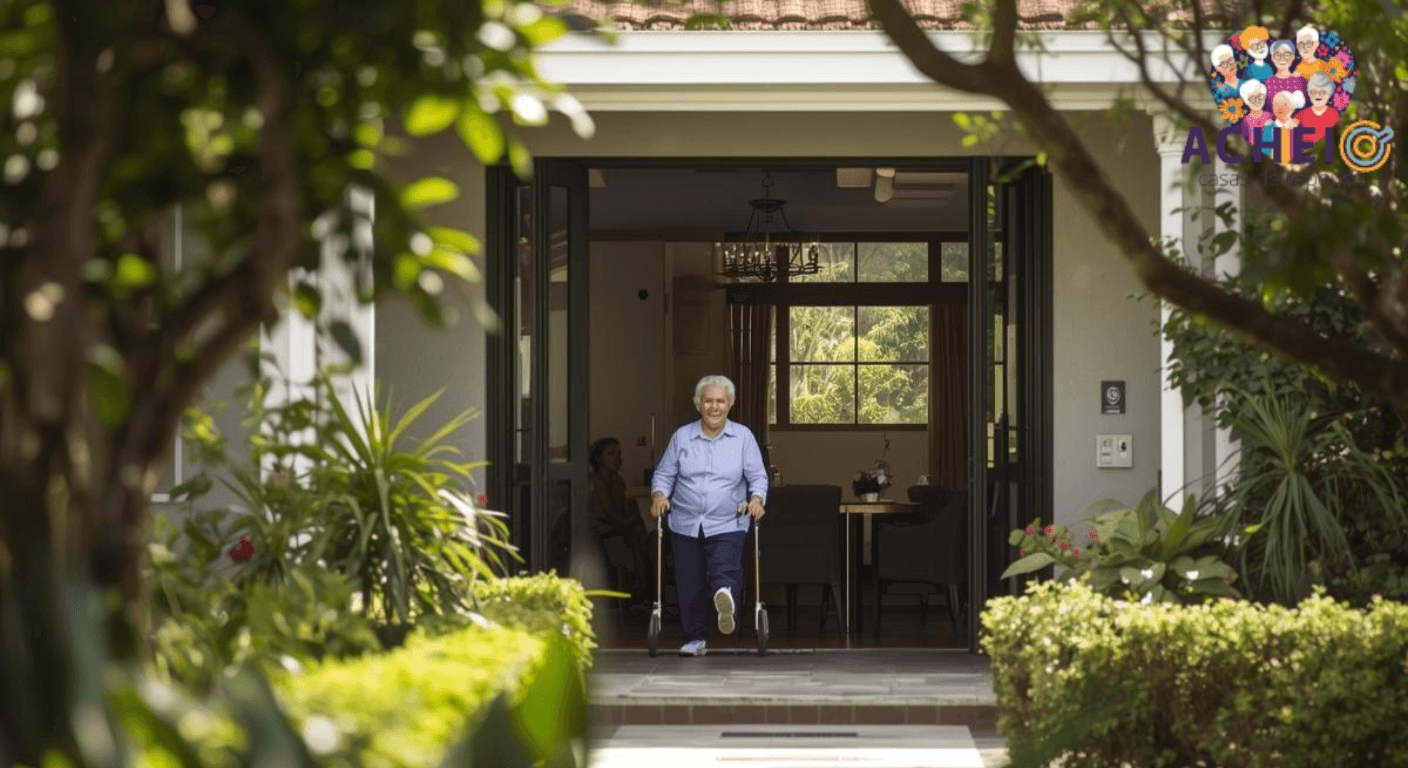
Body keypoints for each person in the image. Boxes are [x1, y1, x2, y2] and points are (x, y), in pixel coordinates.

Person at [650, 375, 768, 657]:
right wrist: (658, 495)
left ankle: (725, 599)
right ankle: (695, 638)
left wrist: (756, 499)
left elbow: (757, 475)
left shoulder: (742, 437)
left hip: (728, 519)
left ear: (730, 404)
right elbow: (665, 473)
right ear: (698, 404)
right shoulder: (682, 436)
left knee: (725, 569)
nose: (714, 407)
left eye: (720, 401)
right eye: (708, 401)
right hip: (685, 520)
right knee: (689, 581)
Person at [589, 437, 652, 600]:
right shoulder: (596, 480)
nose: (617, 458)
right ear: (598, 458)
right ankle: (643, 594)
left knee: (640, 537)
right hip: (599, 533)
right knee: (635, 543)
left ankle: (646, 592)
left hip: (616, 528)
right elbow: (611, 514)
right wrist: (629, 522)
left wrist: (632, 521)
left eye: (619, 453)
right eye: (611, 454)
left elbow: (627, 509)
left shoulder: (618, 480)